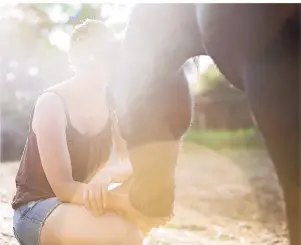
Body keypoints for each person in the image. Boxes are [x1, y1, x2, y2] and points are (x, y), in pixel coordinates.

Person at [11, 19, 153, 245]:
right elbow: (64, 188)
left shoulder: (113, 105)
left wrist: (108, 174)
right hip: (38, 208)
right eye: (91, 58)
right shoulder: (52, 103)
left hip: (81, 203)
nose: (100, 65)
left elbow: (130, 161)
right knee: (123, 233)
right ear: (75, 60)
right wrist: (125, 204)